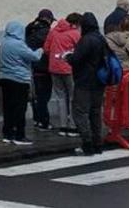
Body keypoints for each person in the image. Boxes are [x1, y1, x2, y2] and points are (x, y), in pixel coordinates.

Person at [67, 12, 107, 156]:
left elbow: (76, 59)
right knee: (96, 113)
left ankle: (87, 143)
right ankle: (98, 143)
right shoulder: (101, 39)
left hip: (84, 81)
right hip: (99, 81)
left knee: (80, 112)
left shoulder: (86, 40)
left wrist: (68, 57)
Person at [0, 21, 41, 145]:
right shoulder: (18, 44)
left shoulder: (4, 42)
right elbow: (34, 57)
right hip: (19, 79)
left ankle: (8, 133)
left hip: (5, 78)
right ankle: (19, 135)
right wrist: (40, 50)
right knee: (20, 108)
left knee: (8, 107)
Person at [44, 12, 81, 137]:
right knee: (73, 97)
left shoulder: (53, 32)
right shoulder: (74, 33)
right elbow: (81, 50)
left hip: (54, 67)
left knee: (60, 97)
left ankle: (63, 126)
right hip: (69, 68)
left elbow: (46, 49)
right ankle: (73, 126)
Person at [24, 10, 53, 131]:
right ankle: (44, 121)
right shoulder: (48, 32)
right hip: (45, 67)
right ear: (48, 20)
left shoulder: (30, 29)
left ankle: (37, 119)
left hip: (33, 67)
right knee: (44, 96)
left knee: (36, 95)